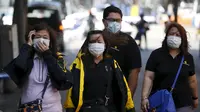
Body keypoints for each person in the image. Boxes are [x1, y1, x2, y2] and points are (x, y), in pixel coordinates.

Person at [3, 23, 73, 112]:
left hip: (52, 108)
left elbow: (61, 78)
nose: (41, 40)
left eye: (45, 37)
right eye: (37, 37)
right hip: (29, 108)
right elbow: (19, 66)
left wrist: (47, 55)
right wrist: (27, 45)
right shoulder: (27, 58)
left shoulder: (57, 59)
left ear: (50, 42)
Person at [64, 30, 135, 112]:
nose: (96, 44)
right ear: (88, 45)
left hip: (108, 109)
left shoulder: (112, 63)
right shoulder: (79, 64)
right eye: (93, 42)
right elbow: (71, 91)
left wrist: (130, 108)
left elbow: (124, 88)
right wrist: (70, 109)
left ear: (105, 45)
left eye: (99, 42)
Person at [141, 22, 198, 112]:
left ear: (183, 39)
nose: (174, 37)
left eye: (178, 35)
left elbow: (192, 81)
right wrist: (144, 98)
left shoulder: (188, 57)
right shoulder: (156, 55)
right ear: (166, 36)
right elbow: (149, 77)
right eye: (171, 34)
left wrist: (195, 98)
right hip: (160, 101)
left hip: (183, 103)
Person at [101, 5, 141, 97]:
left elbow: (134, 71)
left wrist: (128, 99)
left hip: (119, 95)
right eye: (111, 20)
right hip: (96, 96)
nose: (115, 23)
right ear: (104, 21)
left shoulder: (128, 41)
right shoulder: (95, 39)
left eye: (118, 20)